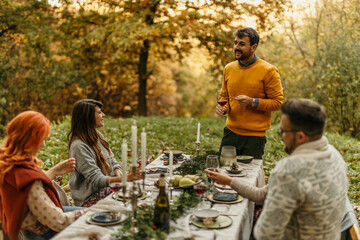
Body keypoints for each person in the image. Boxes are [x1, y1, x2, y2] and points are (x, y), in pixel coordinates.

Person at [207, 99, 349, 239]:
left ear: (300, 136)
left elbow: (264, 234)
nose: (281, 137)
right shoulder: (334, 155)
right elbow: (261, 195)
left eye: (282, 131)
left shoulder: (289, 171)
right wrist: (230, 181)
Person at [0, 111, 86, 240]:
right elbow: (58, 221)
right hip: (43, 233)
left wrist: (55, 171)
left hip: (30, 225)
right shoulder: (27, 179)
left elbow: (27, 189)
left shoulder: (10, 165)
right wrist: (90, 212)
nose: (44, 145)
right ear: (30, 140)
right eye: (42, 139)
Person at [216, 27, 284, 159]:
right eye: (236, 43)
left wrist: (252, 101)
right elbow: (224, 96)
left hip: (254, 138)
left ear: (253, 47)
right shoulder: (229, 68)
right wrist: (224, 108)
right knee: (223, 174)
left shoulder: (269, 71)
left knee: (248, 177)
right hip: (230, 133)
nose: (236, 47)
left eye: (242, 44)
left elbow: (278, 103)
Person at [68, 99, 138, 207]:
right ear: (88, 117)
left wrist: (117, 171)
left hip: (106, 189)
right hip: (90, 200)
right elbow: (96, 180)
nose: (103, 115)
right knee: (132, 196)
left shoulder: (96, 135)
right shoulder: (78, 146)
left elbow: (111, 160)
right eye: (100, 112)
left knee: (137, 192)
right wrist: (124, 179)